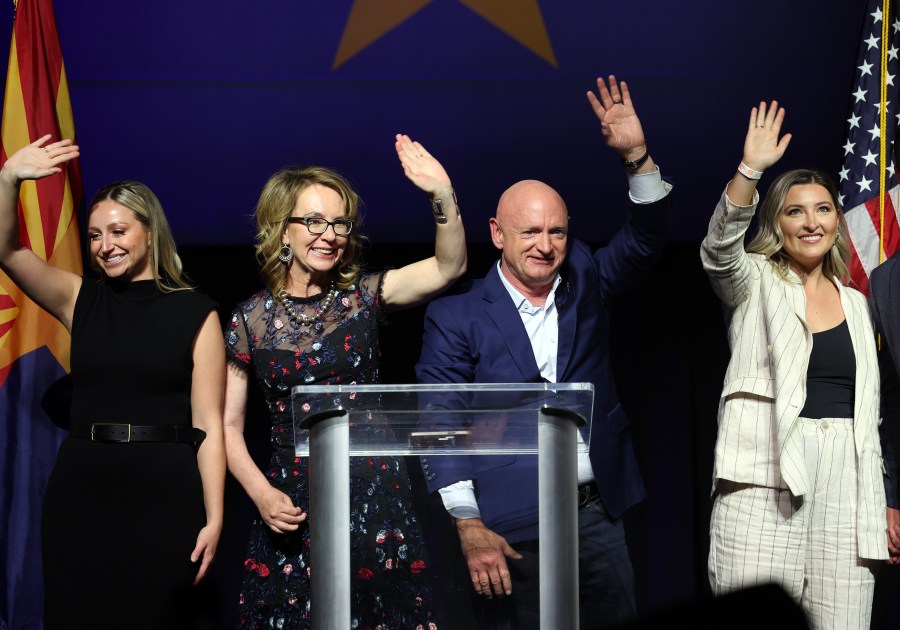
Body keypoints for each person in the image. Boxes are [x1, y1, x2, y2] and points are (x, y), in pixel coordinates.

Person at [415, 75, 673, 629]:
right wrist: (468, 525)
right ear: (497, 234)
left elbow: (648, 237)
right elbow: (439, 418)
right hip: (509, 523)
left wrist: (637, 158)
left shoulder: (587, 276)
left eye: (557, 231)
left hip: (596, 515)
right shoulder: (456, 315)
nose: (545, 245)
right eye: (530, 231)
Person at [223, 133, 466, 628]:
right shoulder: (247, 322)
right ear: (281, 229)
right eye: (313, 221)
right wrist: (262, 495)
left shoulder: (364, 298)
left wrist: (442, 194)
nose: (329, 234)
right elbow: (226, 426)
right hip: (293, 507)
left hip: (376, 501)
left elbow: (448, 266)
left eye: (339, 222)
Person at [0, 136, 226, 628]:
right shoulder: (79, 297)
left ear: (150, 232)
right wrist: (9, 179)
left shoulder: (196, 313)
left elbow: (209, 425)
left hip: (165, 494)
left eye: (119, 231)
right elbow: (8, 250)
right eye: (95, 235)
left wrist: (215, 517)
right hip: (83, 490)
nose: (106, 245)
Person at [700, 101, 890, 629]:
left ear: (837, 219)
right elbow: (718, 251)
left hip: (846, 484)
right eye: (795, 211)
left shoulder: (855, 300)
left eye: (824, 209)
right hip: (764, 477)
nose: (812, 222)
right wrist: (749, 170)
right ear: (775, 221)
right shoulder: (755, 279)